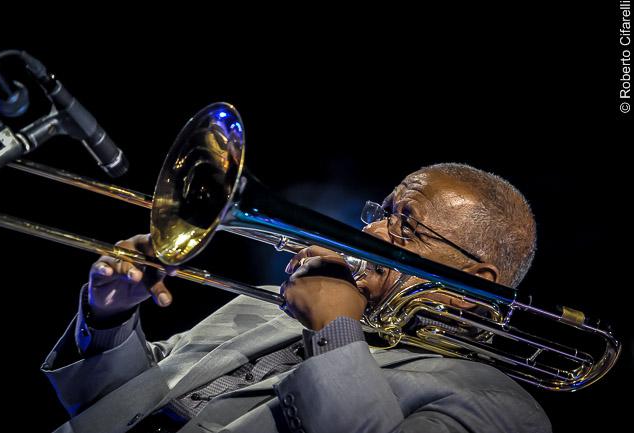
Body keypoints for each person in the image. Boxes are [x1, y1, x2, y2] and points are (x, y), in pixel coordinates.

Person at [42, 163, 552, 433]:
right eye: (384, 210)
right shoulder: (269, 301)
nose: (371, 228)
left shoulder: (504, 408)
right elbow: (111, 406)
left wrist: (336, 333)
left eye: (406, 223)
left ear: (473, 282)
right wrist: (110, 315)